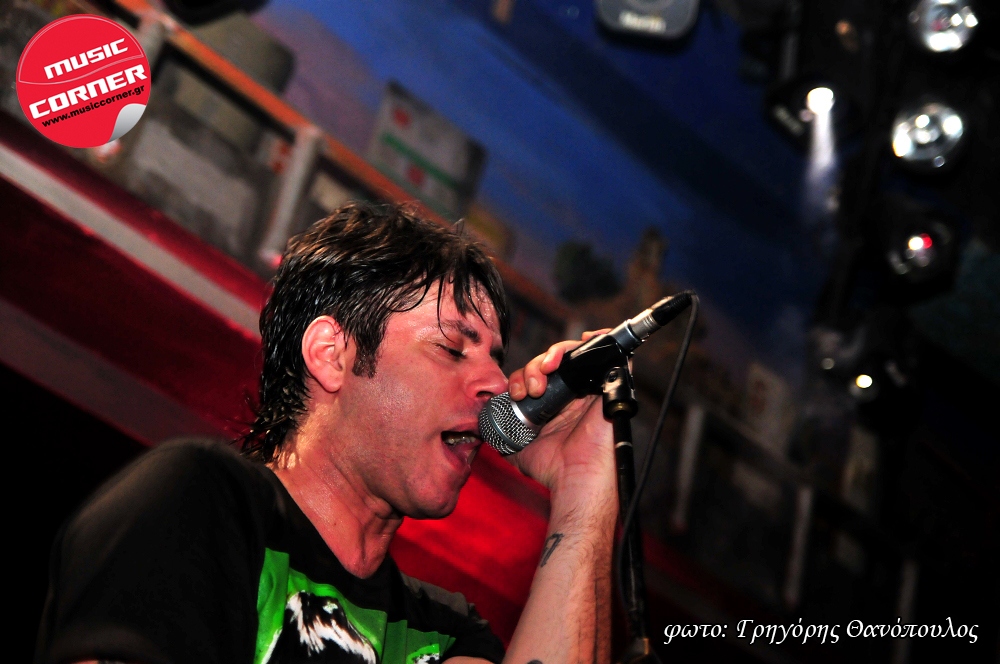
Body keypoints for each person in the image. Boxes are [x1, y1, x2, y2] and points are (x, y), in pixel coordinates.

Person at [36, 202, 617, 664]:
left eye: (495, 357)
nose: (495, 382)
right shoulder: (199, 501)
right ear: (331, 355)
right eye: (451, 348)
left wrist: (583, 487)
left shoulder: (443, 634)